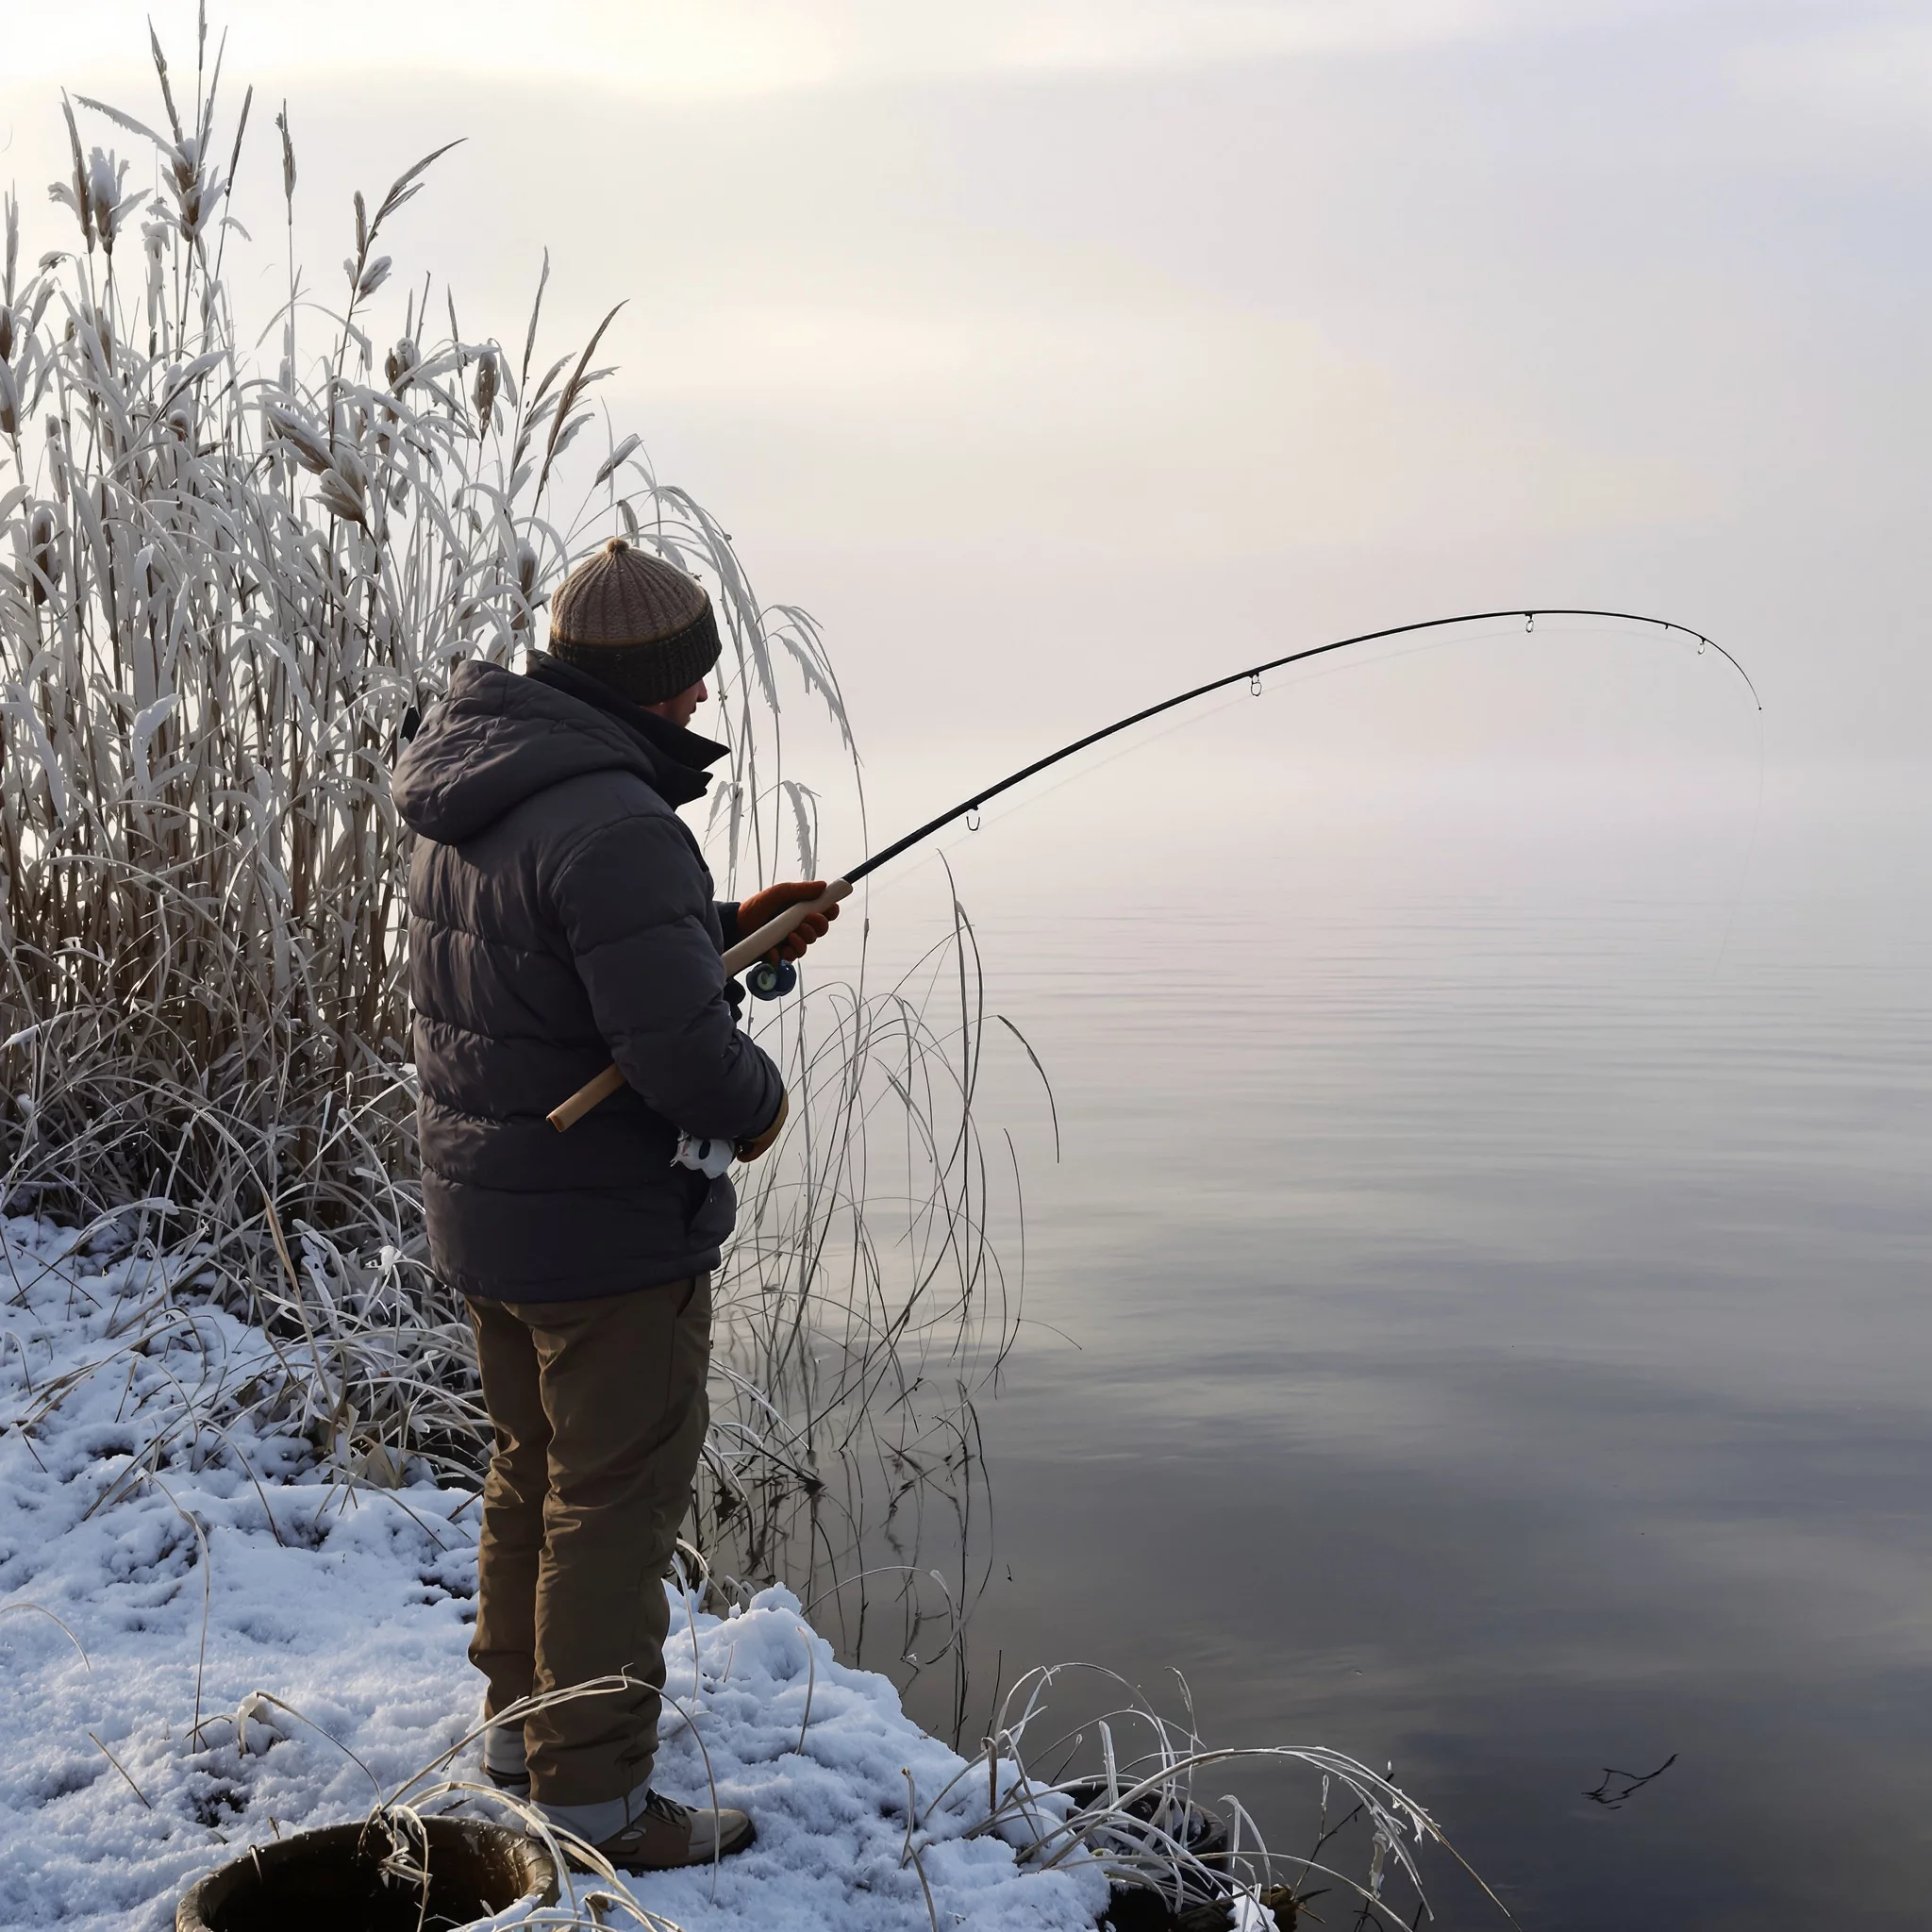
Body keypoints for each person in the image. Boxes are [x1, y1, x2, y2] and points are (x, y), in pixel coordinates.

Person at [391, 537, 838, 1870]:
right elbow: (678, 1053)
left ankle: (520, 1735)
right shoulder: (622, 821)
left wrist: (727, 923)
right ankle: (595, 1801)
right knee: (612, 1503)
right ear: (650, 682)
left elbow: (559, 965)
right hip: (605, 1235)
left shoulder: (481, 784)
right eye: (692, 678)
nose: (703, 699)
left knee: (530, 1472)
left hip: (494, 1213)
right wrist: (758, 1103)